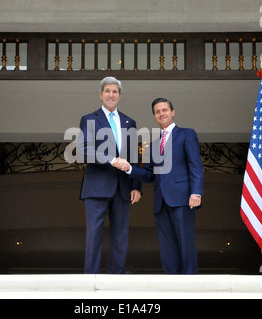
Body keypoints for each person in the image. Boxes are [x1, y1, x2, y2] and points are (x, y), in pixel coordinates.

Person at [113, 98, 204, 274]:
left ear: (173, 112)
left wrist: (196, 193)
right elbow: (149, 175)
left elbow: (195, 166)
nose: (161, 114)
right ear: (154, 116)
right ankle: (172, 282)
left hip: (183, 199)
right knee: (167, 246)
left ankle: (191, 282)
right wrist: (129, 168)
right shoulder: (152, 145)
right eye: (157, 111)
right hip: (161, 202)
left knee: (186, 243)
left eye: (164, 110)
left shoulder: (187, 134)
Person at [77, 76, 142, 274]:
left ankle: (116, 280)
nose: (111, 94)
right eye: (107, 91)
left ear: (119, 96)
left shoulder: (129, 122)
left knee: (121, 238)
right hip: (97, 185)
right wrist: (111, 160)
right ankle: (91, 280)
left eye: (115, 91)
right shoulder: (89, 119)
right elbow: (83, 150)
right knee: (94, 236)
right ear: (101, 95)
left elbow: (133, 156)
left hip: (123, 188)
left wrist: (136, 186)